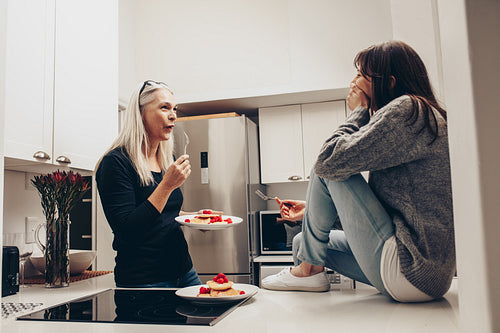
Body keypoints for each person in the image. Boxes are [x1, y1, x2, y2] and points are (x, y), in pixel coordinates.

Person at [262, 41, 455, 302]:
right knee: (301, 243)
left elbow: (327, 162)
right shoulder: (423, 115)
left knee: (330, 165)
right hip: (428, 278)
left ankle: (307, 271)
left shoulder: (408, 110)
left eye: (361, 75)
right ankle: (308, 268)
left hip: (409, 268)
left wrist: (358, 113)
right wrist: (314, 211)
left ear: (389, 82)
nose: (353, 81)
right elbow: (389, 213)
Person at [96, 80, 215, 288]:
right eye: (164, 107)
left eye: (174, 109)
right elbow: (127, 229)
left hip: (184, 271)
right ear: (140, 113)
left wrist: (197, 218)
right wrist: (167, 185)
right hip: (145, 280)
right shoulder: (115, 163)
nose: (173, 115)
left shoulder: (167, 160)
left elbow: (164, 214)